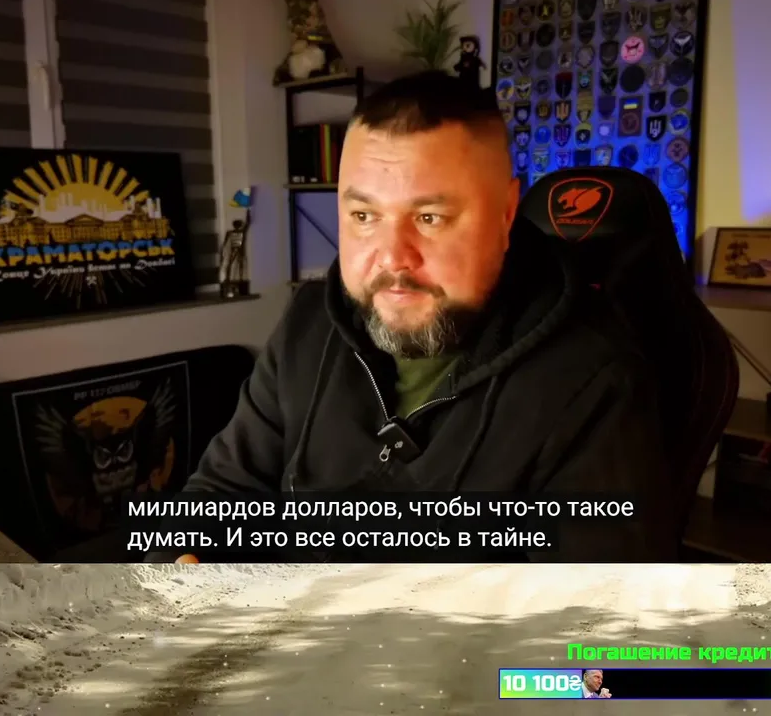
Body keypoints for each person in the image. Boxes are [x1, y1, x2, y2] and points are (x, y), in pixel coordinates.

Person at [147, 70, 673, 563]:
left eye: (429, 217)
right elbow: (220, 493)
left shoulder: (592, 379)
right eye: (363, 216)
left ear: (506, 213)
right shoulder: (310, 323)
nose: (392, 257)